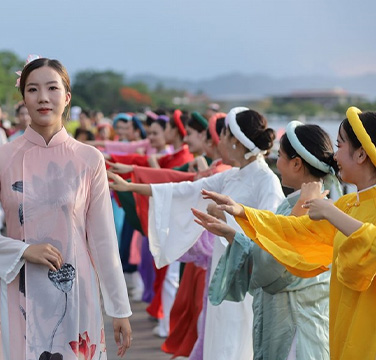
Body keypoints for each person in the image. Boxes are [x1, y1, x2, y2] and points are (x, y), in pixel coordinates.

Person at [0, 57, 132, 360]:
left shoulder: (89, 159)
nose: (43, 97)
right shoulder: (1, 158)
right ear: (23, 97)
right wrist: (23, 250)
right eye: (33, 89)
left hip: (77, 292)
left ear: (66, 97)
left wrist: (119, 309)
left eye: (52, 88)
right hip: (21, 293)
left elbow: (103, 240)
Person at [199, 106, 376, 360]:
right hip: (341, 329)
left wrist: (329, 212)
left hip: (326, 329)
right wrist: (242, 213)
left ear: (361, 154)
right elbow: (294, 231)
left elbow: (370, 248)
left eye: (340, 145)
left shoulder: (338, 208)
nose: (335, 156)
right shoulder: (349, 204)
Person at [108, 107, 283, 360]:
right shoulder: (233, 175)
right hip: (222, 266)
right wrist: (131, 185)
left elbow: (270, 233)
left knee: (237, 337)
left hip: (246, 277)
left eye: (222, 136)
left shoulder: (267, 181)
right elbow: (185, 189)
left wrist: (227, 221)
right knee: (217, 333)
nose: (218, 141)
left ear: (235, 141)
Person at [193, 121, 334, 359]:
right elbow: (273, 252)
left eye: (280, 156)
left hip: (295, 327)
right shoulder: (317, 207)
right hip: (298, 320)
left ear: (297, 164)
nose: (276, 163)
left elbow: (275, 267)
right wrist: (230, 233)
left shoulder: (309, 211)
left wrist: (236, 232)